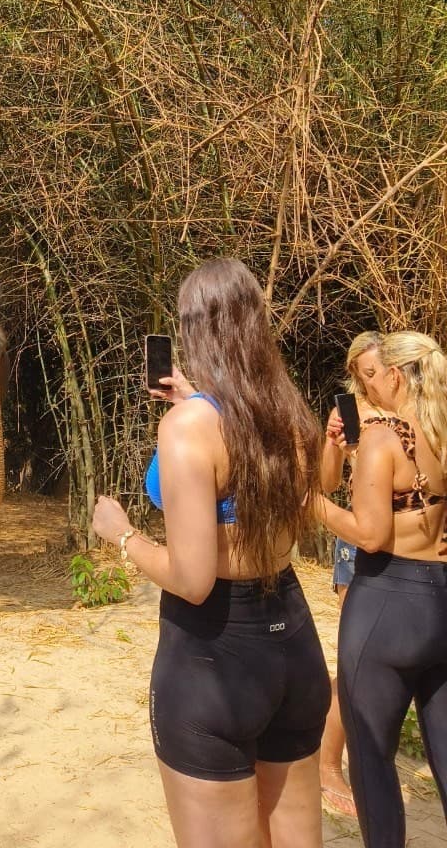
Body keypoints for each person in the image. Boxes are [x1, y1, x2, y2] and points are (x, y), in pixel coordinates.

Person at [92, 259, 330, 848]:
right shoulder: (291, 414)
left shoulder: (186, 429)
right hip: (294, 646)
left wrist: (122, 535)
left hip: (213, 660)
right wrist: (200, 395)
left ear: (193, 328)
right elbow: (285, 516)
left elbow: (193, 579)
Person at [315, 331, 447, 847]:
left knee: (371, 760)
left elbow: (370, 534)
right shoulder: (438, 429)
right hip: (440, 603)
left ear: (394, 374)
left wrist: (307, 501)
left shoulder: (382, 440)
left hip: (388, 603)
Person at [319, 330, 383, 818]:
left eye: (379, 369)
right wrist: (334, 443)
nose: (375, 379)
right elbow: (326, 485)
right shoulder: (350, 414)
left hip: (411, 548)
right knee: (355, 659)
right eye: (365, 373)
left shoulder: (417, 412)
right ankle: (328, 764)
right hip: (356, 542)